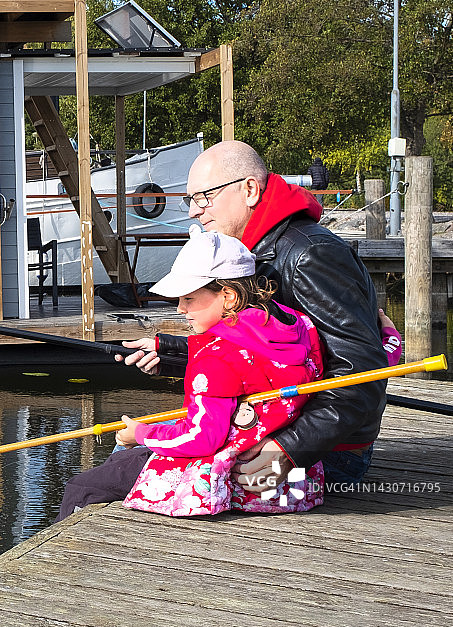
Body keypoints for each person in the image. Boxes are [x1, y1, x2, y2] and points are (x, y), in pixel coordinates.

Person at [115, 141, 391, 495]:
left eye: (204, 197)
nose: (194, 212)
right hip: (279, 432)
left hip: (324, 454)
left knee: (115, 477)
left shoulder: (310, 255)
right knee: (125, 459)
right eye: (190, 200)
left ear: (249, 189)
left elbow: (363, 372)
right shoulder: (256, 251)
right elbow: (270, 355)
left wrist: (291, 449)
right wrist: (170, 353)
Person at [58, 227, 326, 521]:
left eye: (188, 298)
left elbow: (202, 437)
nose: (180, 309)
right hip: (294, 483)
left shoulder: (215, 355)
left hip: (232, 481)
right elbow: (252, 368)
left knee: (82, 486)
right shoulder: (298, 325)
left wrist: (141, 434)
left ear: (229, 297)